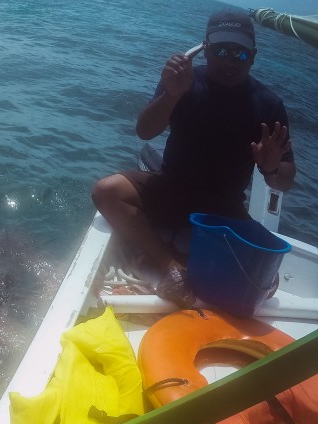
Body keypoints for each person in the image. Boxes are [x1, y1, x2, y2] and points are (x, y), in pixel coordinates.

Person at [90, 9, 295, 308]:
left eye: (239, 54)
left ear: (253, 56)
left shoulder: (269, 104)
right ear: (205, 49)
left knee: (268, 281)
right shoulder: (184, 82)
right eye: (222, 50)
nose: (229, 60)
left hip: (223, 206)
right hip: (171, 187)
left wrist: (272, 166)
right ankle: (170, 265)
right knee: (106, 192)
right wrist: (171, 95)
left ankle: (169, 259)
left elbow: (286, 179)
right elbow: (145, 131)